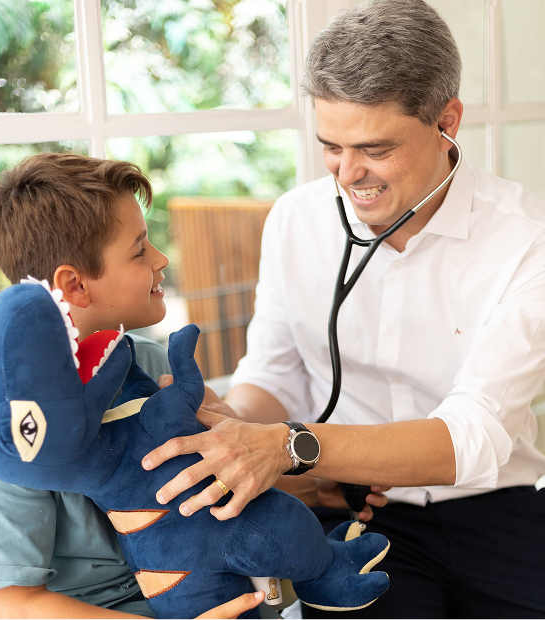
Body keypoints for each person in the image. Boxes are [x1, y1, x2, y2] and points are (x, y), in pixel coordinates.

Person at [139, 1, 545, 619]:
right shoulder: (296, 220)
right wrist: (233, 427)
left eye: (375, 149)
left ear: (448, 121)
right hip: (357, 506)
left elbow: (473, 435)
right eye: (331, 146)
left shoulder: (527, 237)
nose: (349, 174)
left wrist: (289, 446)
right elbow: (275, 378)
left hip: (499, 503)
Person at [0, 153, 265, 620]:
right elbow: (16, 605)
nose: (161, 259)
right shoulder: (4, 420)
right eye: (139, 250)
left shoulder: (150, 362)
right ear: (75, 285)